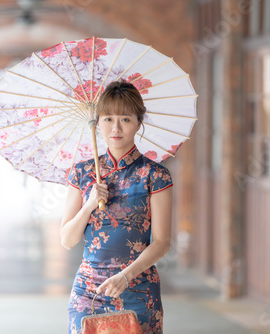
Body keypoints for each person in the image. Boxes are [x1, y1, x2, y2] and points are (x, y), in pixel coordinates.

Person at [61, 80, 173, 334]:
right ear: (97, 122)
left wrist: (125, 276)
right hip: (88, 291)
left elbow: (162, 242)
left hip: (137, 287)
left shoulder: (155, 175)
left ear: (138, 123)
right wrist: (89, 204)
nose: (116, 128)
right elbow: (67, 240)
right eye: (108, 118)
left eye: (125, 119)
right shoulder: (82, 172)